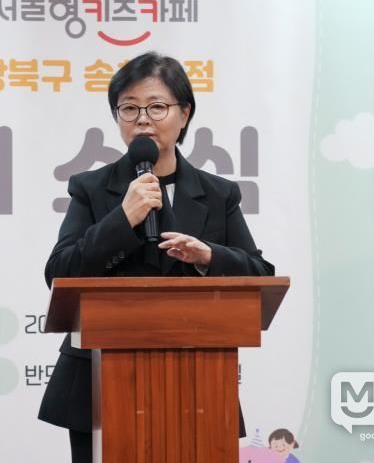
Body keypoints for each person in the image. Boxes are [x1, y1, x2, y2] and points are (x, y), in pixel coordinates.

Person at [38, 51, 275, 463]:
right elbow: (59, 273)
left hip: (197, 381)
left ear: (184, 114)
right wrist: (122, 219)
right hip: (98, 382)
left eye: (156, 107)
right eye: (129, 108)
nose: (142, 120)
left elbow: (259, 274)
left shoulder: (218, 194)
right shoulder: (91, 188)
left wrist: (208, 256)